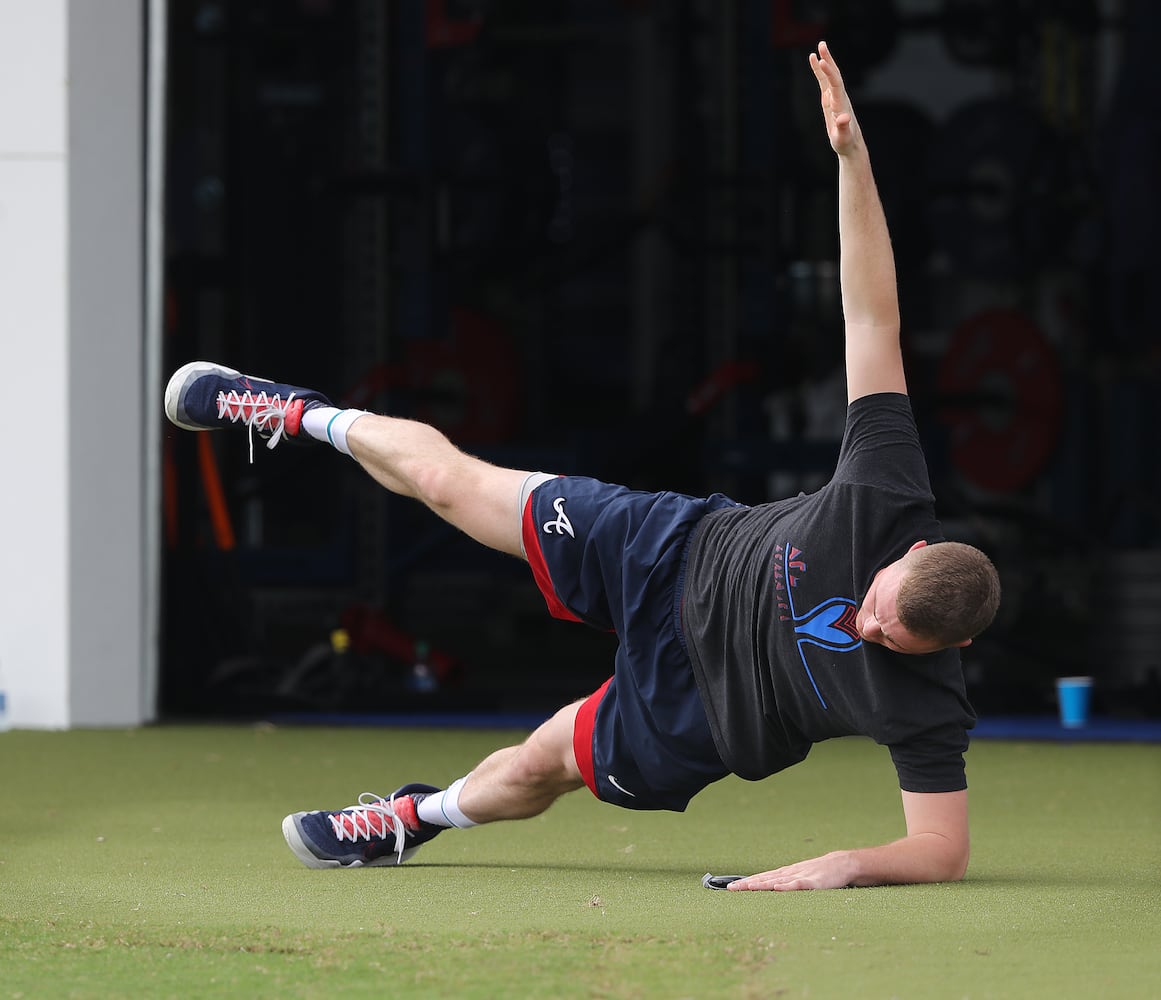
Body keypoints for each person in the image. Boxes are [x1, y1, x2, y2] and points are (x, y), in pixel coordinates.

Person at [164, 42, 1000, 890]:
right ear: (910, 555)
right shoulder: (887, 487)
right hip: (676, 551)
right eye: (875, 607)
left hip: (698, 716)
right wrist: (851, 160)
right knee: (451, 484)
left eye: (887, 639)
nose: (863, 626)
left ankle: (410, 817)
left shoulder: (927, 702)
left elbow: (943, 850)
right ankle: (296, 412)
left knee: (539, 766)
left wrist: (849, 863)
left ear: (952, 645)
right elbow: (870, 319)